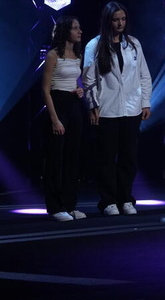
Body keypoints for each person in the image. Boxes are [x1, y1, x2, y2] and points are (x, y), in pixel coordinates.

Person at [83, 1, 152, 216]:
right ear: (108, 21)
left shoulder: (133, 44)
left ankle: (126, 199)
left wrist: (146, 102)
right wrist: (93, 104)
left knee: (128, 157)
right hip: (107, 110)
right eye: (116, 19)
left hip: (131, 108)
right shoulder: (94, 45)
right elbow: (88, 79)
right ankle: (108, 201)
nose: (120, 23)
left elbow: (144, 75)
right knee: (106, 158)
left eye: (123, 19)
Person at [41, 15, 86, 222]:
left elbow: (75, 81)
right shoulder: (53, 55)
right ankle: (55, 206)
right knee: (55, 158)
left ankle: (69, 204)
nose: (80, 31)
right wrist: (54, 119)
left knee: (73, 157)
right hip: (58, 104)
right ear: (66, 31)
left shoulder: (77, 55)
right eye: (76, 28)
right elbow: (45, 89)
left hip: (73, 104)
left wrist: (79, 90)